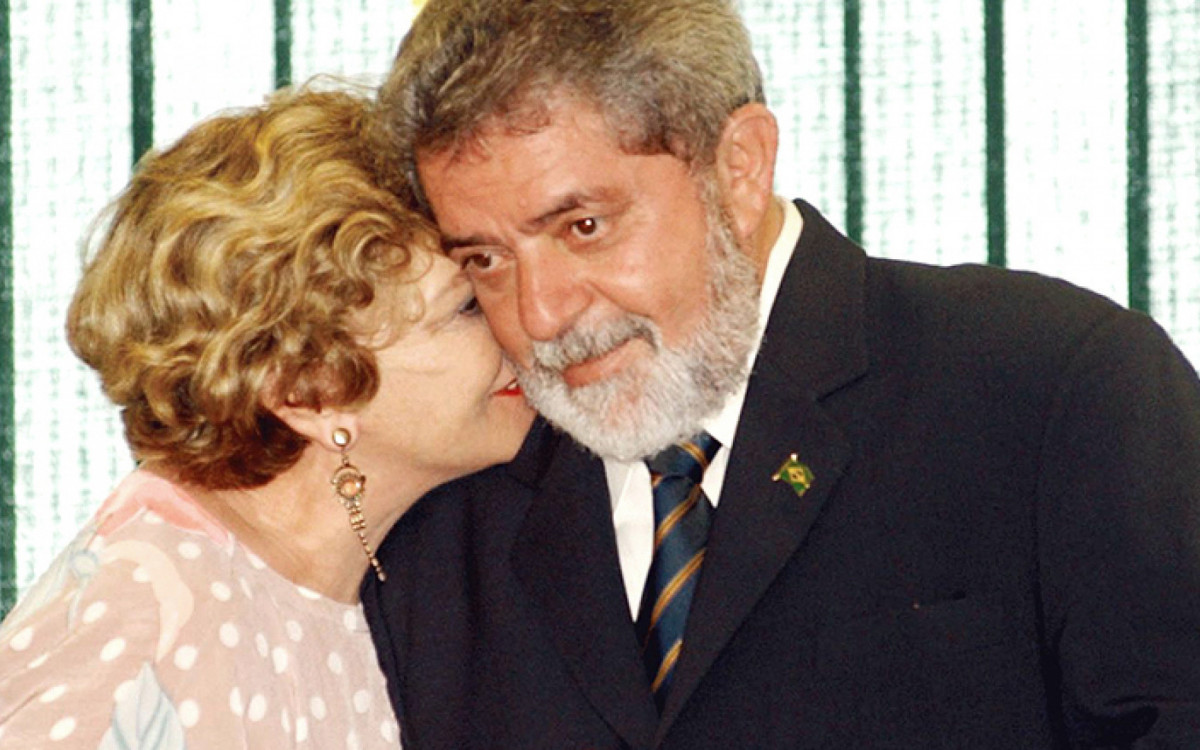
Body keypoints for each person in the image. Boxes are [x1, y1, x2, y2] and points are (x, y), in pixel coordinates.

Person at [361, 0, 1200, 747]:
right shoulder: (450, 503)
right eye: (486, 259)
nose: (540, 315)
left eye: (583, 226)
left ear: (738, 168)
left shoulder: (1052, 388)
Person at [0, 84, 534, 748]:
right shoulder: (149, 609)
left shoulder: (354, 578)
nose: (528, 321)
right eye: (467, 307)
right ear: (309, 393)